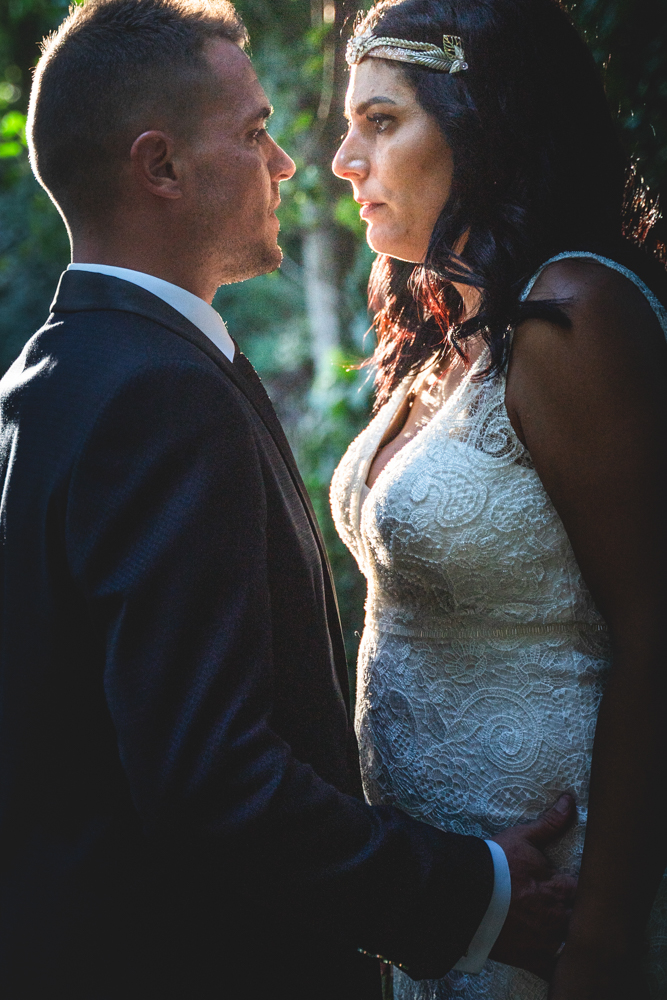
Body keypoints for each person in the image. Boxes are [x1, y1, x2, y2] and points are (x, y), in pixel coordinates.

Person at [0, 1, 578, 997]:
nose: (289, 164)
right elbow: (211, 782)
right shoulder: (159, 394)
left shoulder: (46, 376)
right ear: (161, 167)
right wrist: (469, 894)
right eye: (255, 133)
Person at [330, 1, 667, 998]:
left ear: (484, 124)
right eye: (350, 124)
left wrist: (602, 946)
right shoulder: (452, 328)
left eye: (382, 121)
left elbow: (656, 631)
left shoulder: (578, 313)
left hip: (569, 916)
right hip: (466, 912)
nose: (346, 158)